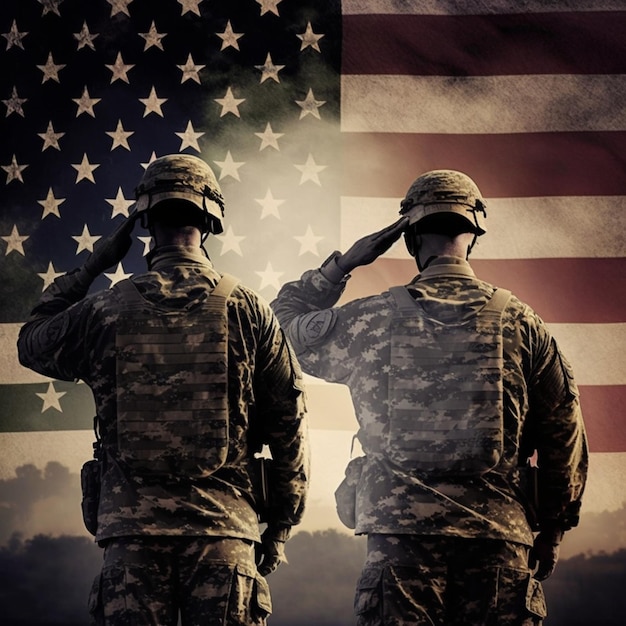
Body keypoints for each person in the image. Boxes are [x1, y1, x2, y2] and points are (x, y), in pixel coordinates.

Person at [271, 169, 588, 625]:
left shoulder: (371, 319)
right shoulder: (523, 324)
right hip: (499, 540)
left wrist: (341, 266)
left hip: (400, 546)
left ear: (408, 238)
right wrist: (552, 530)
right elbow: (564, 434)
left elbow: (279, 334)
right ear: (473, 236)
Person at [17, 153, 309, 626]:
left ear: (144, 220)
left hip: (131, 539)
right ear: (212, 219)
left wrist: (92, 266)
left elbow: (32, 343)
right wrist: (280, 527)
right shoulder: (249, 309)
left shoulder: (104, 310)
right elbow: (289, 423)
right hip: (226, 535)